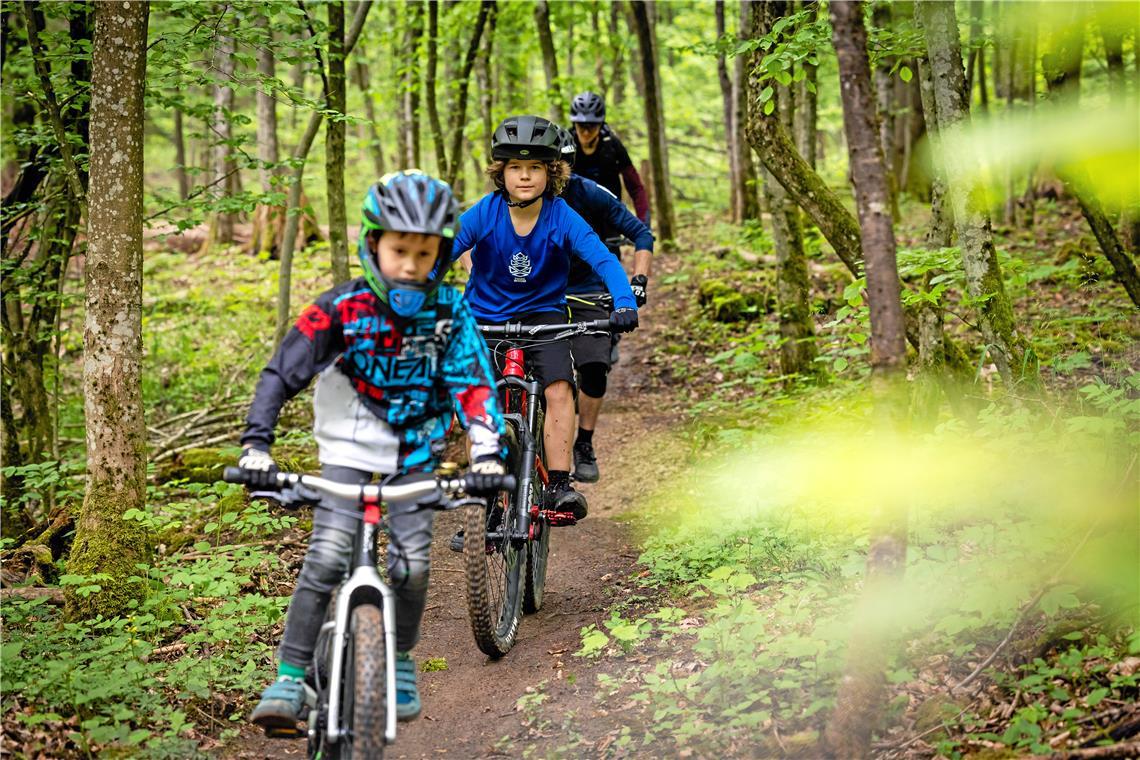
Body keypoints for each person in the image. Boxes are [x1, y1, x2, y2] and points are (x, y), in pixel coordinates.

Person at [237, 171, 506, 735]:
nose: (410, 264)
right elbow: (281, 375)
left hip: (415, 456)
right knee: (328, 555)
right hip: (347, 450)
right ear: (373, 244)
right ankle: (289, 676)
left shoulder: (450, 316)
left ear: (439, 253)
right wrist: (256, 446)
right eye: (398, 250)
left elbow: (475, 388)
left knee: (412, 564)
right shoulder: (340, 308)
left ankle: (401, 659)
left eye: (423, 252)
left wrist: (486, 456)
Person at [453, 114, 638, 522]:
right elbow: (438, 255)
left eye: (534, 167)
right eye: (515, 168)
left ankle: (558, 484)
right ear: (500, 172)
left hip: (545, 319)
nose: (524, 176)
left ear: (551, 172)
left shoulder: (562, 216)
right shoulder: (483, 213)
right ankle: (482, 501)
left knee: (558, 389)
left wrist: (624, 301)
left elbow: (603, 259)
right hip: (485, 317)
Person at [554, 127, 653, 483]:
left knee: (594, 365)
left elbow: (641, 233)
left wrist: (638, 282)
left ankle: (584, 441)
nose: (551, 175)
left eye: (559, 167)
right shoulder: (516, 200)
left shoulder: (591, 194)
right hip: (538, 294)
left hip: (588, 290)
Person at [568, 91, 650, 224]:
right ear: (574, 124)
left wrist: (644, 223)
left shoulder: (612, 145)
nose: (586, 132)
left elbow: (635, 187)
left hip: (609, 218)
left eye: (592, 126)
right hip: (576, 220)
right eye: (581, 126)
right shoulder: (566, 146)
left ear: (601, 125)